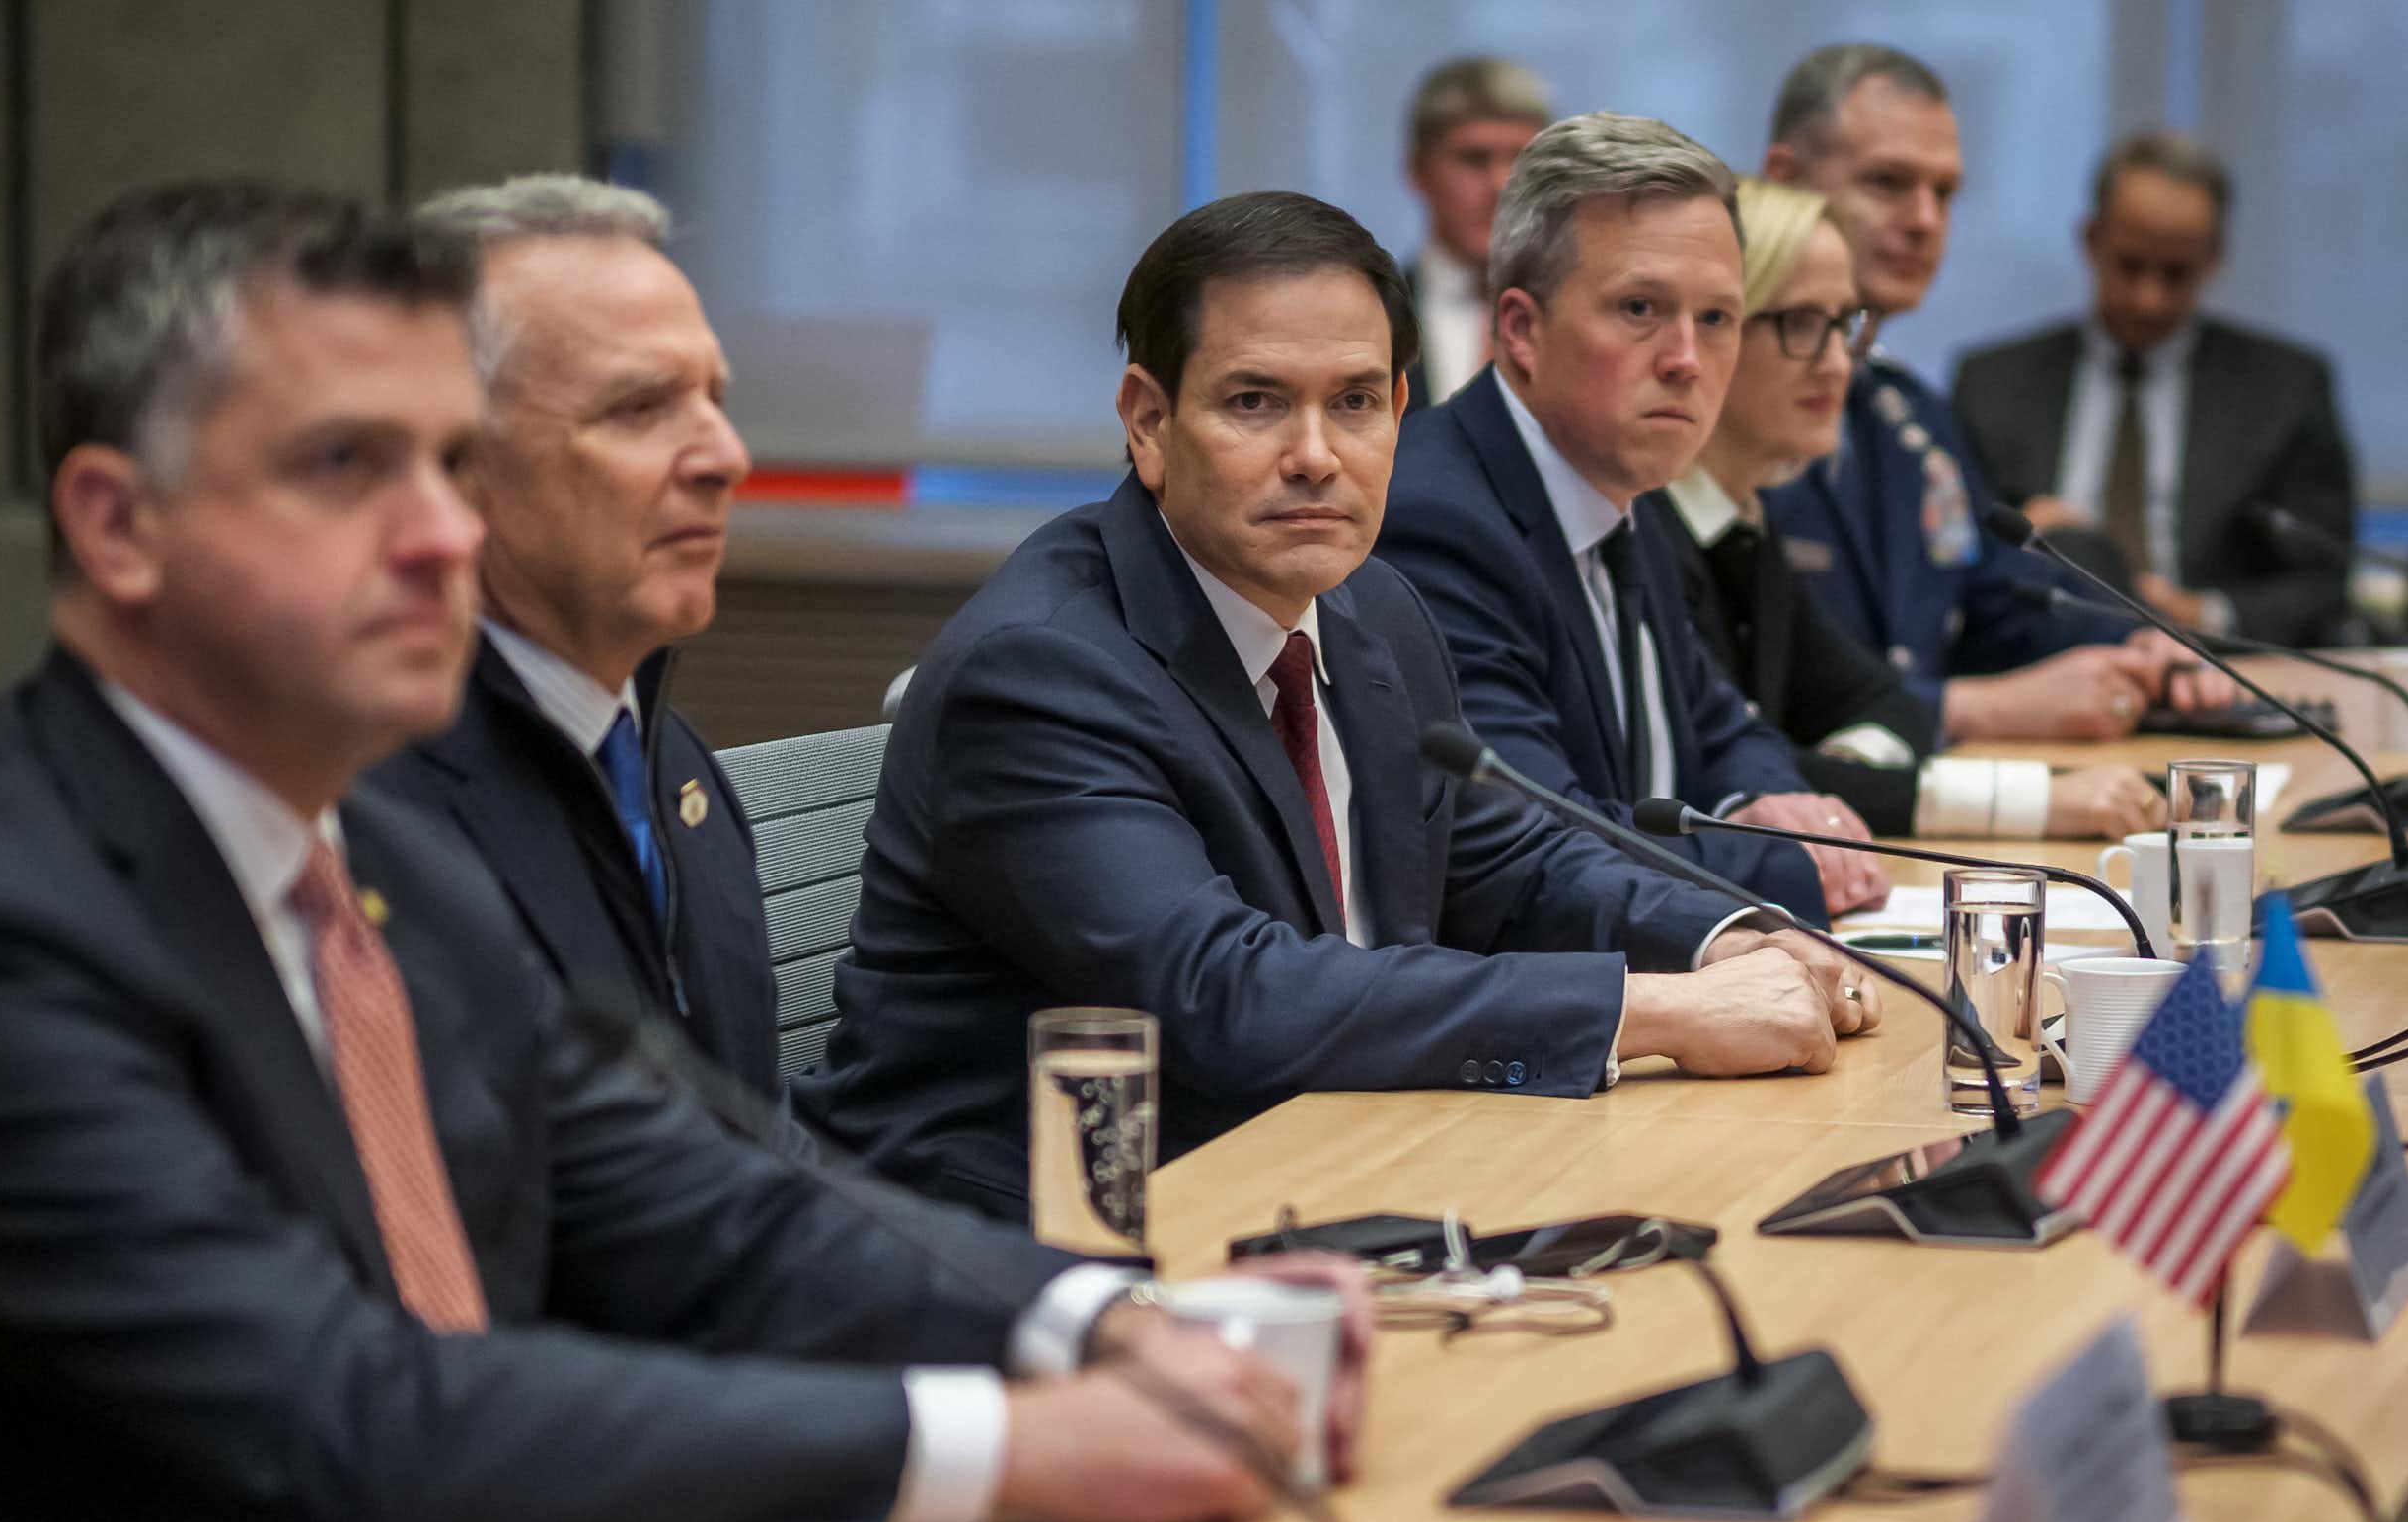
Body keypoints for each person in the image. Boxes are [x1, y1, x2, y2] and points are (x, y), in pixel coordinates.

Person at [0, 179, 1369, 1522]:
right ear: (118, 526)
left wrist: (1111, 1320)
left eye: (446, 463)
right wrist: (1008, 1445)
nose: (441, 533)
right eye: (348, 466)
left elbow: (707, 1204)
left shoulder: (371, 862)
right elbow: (351, 1407)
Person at [796, 190, 1876, 1223]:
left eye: (1354, 402)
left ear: (1400, 413)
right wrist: (1653, 1011)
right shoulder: (1042, 669)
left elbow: (1508, 868)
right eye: (1255, 402)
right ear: (1149, 421)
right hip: (1036, 1238)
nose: (1315, 456)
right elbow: (1225, 994)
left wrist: (1728, 939)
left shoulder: (1371, 612)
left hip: (1333, 1167)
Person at [1378, 112, 1890, 923]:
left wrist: (1774, 804)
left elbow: (1725, 726)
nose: (1687, 360)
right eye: (1641, 308)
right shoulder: (1439, 522)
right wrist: (1786, 864)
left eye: (1716, 318)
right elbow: (1530, 849)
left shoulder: (1624, 489)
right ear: (1522, 330)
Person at [369, 176, 778, 1117]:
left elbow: (754, 1143)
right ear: (451, 462)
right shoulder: (368, 809)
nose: (726, 457)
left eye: (715, 397)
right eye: (639, 408)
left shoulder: (675, 762)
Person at [1649, 178, 2165, 841]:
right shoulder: (1649, 534)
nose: (1837, 364)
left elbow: (1879, 705)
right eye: (1801, 324)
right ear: (1711, 332)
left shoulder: (1741, 526)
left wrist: (1846, 771)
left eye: (1846, 325)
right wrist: (2034, 801)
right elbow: (1715, 777)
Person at [1756, 44, 2224, 742]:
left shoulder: (1913, 417)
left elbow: (1997, 606)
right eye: (1888, 182)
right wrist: (1978, 710)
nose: (1925, 220)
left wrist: (2138, 647)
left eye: (1945, 193)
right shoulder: (1720, 409)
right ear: (1785, 180)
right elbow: (1749, 699)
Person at [1952, 130, 2357, 647]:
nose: (2149, 298)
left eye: (2175, 273)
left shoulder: (2286, 390)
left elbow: (2321, 579)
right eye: (2130, 265)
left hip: (2212, 663)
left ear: (2214, 256)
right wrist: (2019, 546)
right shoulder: (1992, 383)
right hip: (2039, 655)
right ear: (2090, 239)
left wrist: (2204, 614)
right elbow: (1945, 554)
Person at [1402, 56, 1553, 407]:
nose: (1500, 183)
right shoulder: (1374, 313)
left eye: (1520, 159)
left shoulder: (1584, 317)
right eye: (1473, 158)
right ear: (1419, 171)